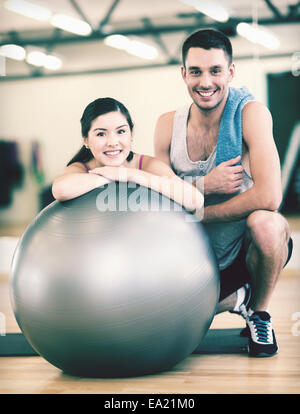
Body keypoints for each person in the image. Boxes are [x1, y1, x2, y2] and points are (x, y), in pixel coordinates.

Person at [154, 29, 293, 357]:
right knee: (160, 323)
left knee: (267, 223)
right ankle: (235, 299)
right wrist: (206, 186)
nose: (206, 82)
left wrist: (198, 210)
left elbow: (270, 197)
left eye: (215, 70)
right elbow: (158, 197)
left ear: (231, 72)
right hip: (190, 258)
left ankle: (258, 312)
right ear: (183, 73)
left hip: (240, 251)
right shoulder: (165, 125)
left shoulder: (251, 114)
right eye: (196, 71)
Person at [52, 97, 204, 220]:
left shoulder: (147, 164)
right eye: (101, 134)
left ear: (131, 134)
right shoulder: (81, 168)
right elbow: (60, 189)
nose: (112, 142)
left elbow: (195, 200)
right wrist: (109, 176)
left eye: (121, 131)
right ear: (85, 140)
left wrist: (129, 175)